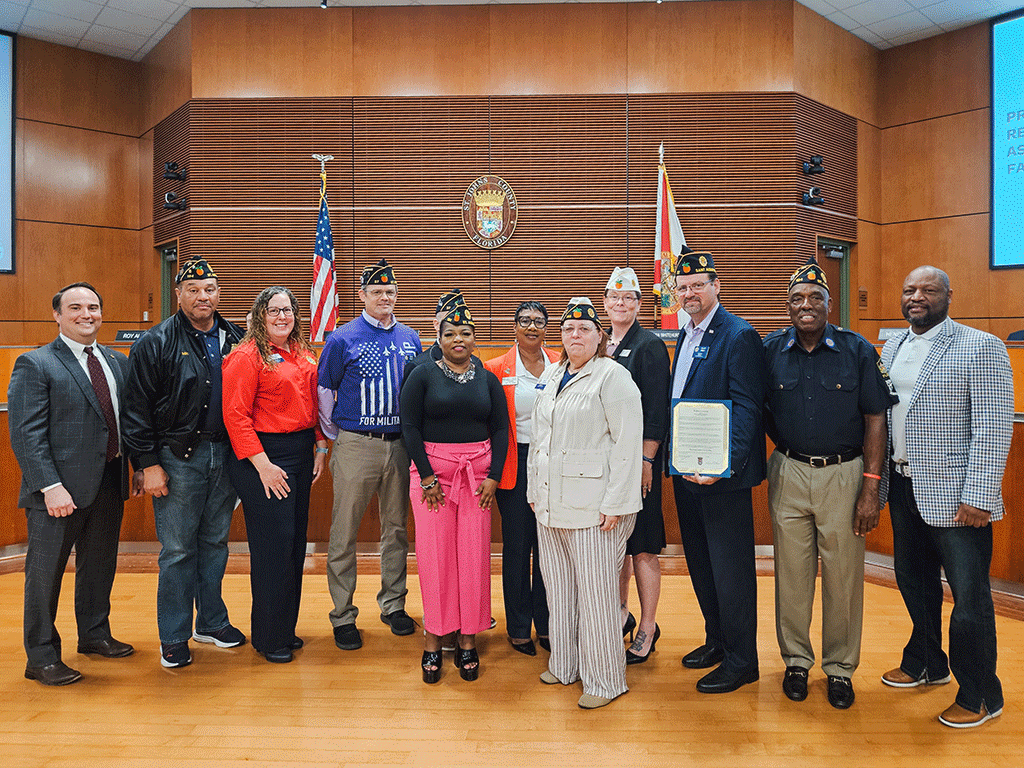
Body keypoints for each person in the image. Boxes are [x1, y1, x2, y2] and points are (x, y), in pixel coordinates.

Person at [879, 265, 1013, 729]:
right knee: (914, 583)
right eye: (909, 289)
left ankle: (980, 694)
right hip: (902, 487)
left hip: (958, 497)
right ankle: (926, 662)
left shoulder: (981, 346)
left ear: (949, 296)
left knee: (969, 599)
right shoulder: (892, 344)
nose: (917, 296)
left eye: (928, 290)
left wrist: (978, 494)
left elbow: (993, 429)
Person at [762, 257, 897, 709]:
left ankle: (840, 669)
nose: (806, 305)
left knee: (843, 576)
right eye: (797, 298)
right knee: (792, 576)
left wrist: (872, 486)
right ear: (787, 306)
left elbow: (876, 417)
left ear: (828, 304)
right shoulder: (769, 350)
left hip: (845, 474)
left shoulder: (858, 350)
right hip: (789, 471)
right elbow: (756, 408)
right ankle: (796, 661)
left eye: (815, 297)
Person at [8, 282, 136, 685]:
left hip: (108, 484)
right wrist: (49, 486)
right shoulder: (36, 363)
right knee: (44, 575)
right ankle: (41, 657)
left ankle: (95, 635)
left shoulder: (117, 362)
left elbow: (122, 423)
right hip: (57, 493)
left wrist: (130, 469)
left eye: (94, 307)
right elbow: (26, 434)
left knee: (99, 567)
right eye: (76, 307)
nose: (87, 314)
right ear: (58, 315)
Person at [123, 258, 247, 669]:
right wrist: (147, 463)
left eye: (209, 289)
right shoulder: (155, 341)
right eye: (193, 290)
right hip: (177, 459)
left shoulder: (238, 337)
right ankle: (174, 635)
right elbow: (136, 408)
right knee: (177, 550)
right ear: (178, 294)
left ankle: (210, 621)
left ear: (218, 292)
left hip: (225, 456)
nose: (202, 297)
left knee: (214, 544)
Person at [528, 297, 643, 709]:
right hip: (550, 504)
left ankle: (605, 679)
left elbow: (627, 446)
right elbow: (540, 440)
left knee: (596, 598)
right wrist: (534, 491)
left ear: (600, 336)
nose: (575, 335)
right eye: (568, 329)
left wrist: (617, 503)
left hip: (596, 510)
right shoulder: (554, 373)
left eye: (585, 329)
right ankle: (565, 664)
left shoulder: (613, 377)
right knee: (558, 590)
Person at [669, 249, 766, 694]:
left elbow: (748, 407)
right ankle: (718, 641)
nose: (689, 293)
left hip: (720, 479)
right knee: (703, 565)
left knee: (731, 570)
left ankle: (743, 660)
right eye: (682, 287)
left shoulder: (738, 335)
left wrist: (725, 466)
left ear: (716, 286)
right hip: (687, 473)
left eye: (697, 285)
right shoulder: (685, 335)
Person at [317, 259, 422, 651]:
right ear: (362, 295)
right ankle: (343, 615)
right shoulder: (341, 338)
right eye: (377, 292)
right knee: (343, 533)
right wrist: (339, 435)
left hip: (399, 446)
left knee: (395, 530)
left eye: (390, 292)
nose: (384, 297)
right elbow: (325, 393)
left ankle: (393, 604)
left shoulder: (411, 337)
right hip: (356, 444)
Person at [400, 302, 508, 683]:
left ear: (475, 338)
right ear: (439, 338)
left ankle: (467, 640)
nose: (458, 339)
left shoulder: (488, 378)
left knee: (473, 560)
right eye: (449, 334)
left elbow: (499, 429)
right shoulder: (421, 374)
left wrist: (494, 477)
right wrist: (428, 478)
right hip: (433, 481)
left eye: (465, 333)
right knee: (435, 559)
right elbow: (409, 427)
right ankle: (433, 641)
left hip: (477, 481)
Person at [223, 287, 329, 663]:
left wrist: (319, 446)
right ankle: (268, 638)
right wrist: (263, 464)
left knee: (294, 545)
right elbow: (235, 416)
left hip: (300, 451)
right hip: (263, 458)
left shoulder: (301, 352)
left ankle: (285, 628)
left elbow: (313, 405)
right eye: (273, 310)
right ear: (259, 315)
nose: (282, 316)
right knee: (272, 550)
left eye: (287, 310)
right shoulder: (245, 356)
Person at [602, 267, 671, 664]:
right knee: (617, 545)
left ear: (640, 304)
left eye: (629, 298)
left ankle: (647, 626)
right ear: (606, 301)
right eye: (614, 297)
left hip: (637, 465)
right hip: (608, 467)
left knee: (642, 547)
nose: (621, 304)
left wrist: (647, 460)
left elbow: (657, 412)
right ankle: (620, 614)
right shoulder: (604, 343)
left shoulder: (648, 346)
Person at [484, 301, 559, 656]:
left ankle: (547, 624)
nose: (532, 327)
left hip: (552, 464)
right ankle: (517, 628)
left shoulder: (562, 362)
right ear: (513, 326)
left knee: (549, 548)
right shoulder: (496, 368)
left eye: (539, 321)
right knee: (517, 547)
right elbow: (491, 423)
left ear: (547, 328)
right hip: (515, 462)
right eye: (525, 321)